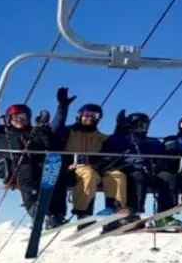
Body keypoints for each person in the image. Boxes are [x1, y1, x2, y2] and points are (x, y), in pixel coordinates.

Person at [0, 102, 54, 220]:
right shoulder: (1, 132)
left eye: (23, 117)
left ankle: (54, 213)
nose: (19, 120)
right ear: (8, 118)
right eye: (15, 117)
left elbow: (51, 145)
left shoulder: (34, 131)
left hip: (37, 166)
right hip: (11, 168)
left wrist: (43, 130)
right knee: (26, 169)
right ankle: (34, 208)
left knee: (54, 172)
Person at [50, 87, 128, 221]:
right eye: (87, 114)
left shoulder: (99, 136)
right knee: (88, 173)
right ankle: (83, 212)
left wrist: (120, 128)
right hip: (73, 167)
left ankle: (115, 211)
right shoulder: (69, 132)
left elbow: (116, 143)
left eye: (95, 116)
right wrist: (62, 107)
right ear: (79, 115)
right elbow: (55, 128)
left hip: (96, 168)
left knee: (117, 175)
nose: (90, 118)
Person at [104, 110, 182, 228]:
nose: (141, 128)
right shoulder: (120, 139)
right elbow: (110, 151)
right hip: (129, 170)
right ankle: (134, 212)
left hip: (151, 171)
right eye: (137, 124)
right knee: (138, 175)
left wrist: (159, 164)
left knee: (168, 177)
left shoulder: (153, 142)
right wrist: (119, 128)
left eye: (144, 125)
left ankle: (165, 215)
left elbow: (163, 156)